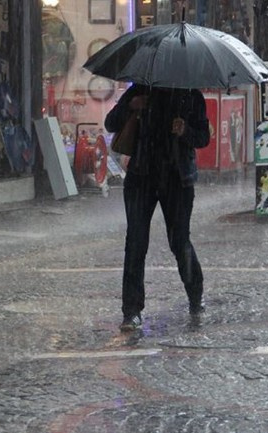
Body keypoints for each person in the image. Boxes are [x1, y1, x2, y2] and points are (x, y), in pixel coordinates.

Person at [105, 84, 210, 332]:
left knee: (179, 241)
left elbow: (203, 137)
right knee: (136, 243)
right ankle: (131, 311)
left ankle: (195, 296)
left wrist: (185, 131)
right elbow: (111, 123)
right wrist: (131, 106)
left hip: (178, 178)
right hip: (141, 177)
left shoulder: (191, 95)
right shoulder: (140, 90)